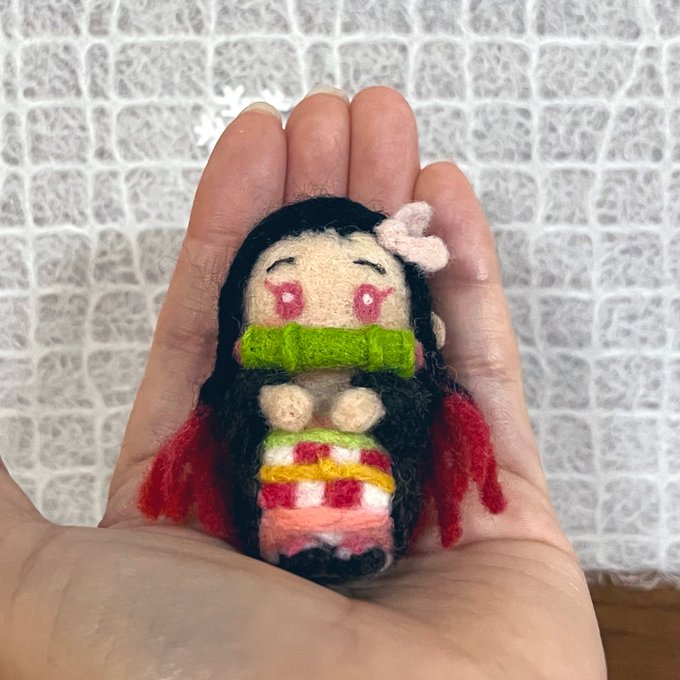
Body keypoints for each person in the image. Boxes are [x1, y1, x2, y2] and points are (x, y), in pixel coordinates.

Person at [0, 86, 606, 679]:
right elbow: (237, 415)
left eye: (366, 296)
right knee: (282, 489)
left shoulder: (401, 368)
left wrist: (376, 402)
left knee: (364, 498)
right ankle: (291, 540)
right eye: (287, 293)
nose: (323, 310)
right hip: (283, 475)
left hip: (368, 477)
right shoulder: (255, 368)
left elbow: (411, 414)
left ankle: (362, 541)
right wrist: (270, 396)